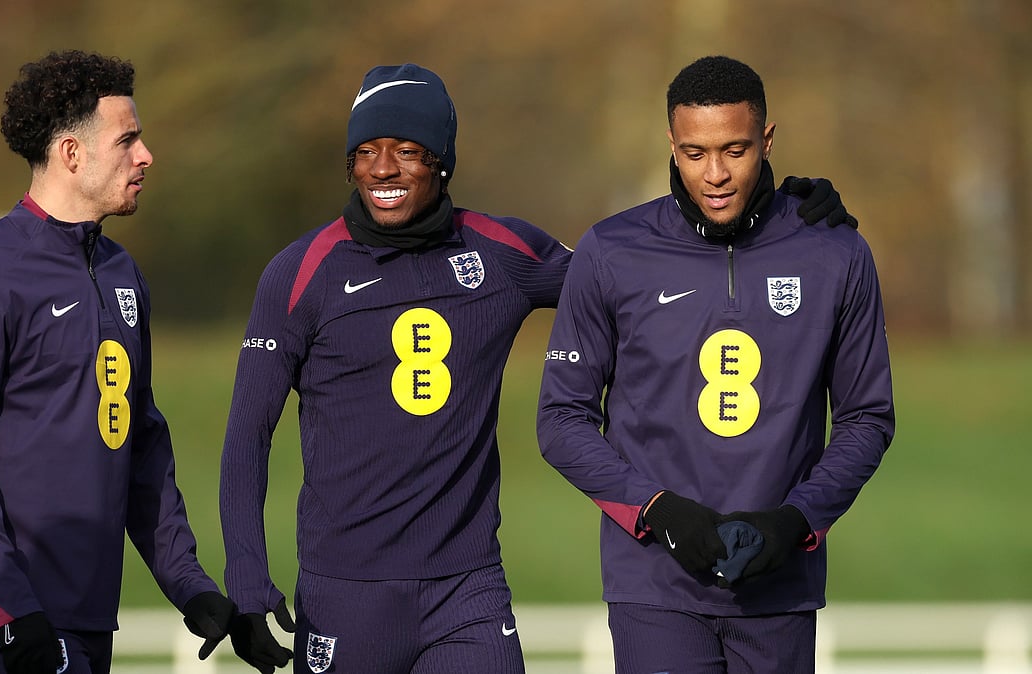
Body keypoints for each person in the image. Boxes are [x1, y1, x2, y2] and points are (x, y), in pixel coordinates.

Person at [216, 62, 857, 674]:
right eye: (367, 150)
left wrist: (780, 214)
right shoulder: (299, 275)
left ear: (441, 160)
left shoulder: (503, 253)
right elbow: (248, 432)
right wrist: (246, 574)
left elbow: (648, 267)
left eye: (408, 150)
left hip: (468, 591)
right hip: (344, 592)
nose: (384, 168)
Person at [537, 55, 895, 673]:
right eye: (695, 153)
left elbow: (867, 418)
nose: (717, 174)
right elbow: (561, 420)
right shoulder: (611, 250)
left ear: (768, 139)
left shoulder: (836, 251)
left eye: (736, 149)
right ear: (671, 146)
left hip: (780, 587)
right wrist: (657, 510)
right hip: (653, 587)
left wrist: (797, 521)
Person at [0, 50, 237, 674]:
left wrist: (189, 586)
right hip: (7, 621)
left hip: (91, 612)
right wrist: (13, 610)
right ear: (71, 153)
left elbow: (139, 442)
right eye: (128, 140)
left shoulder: (122, 275)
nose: (145, 157)